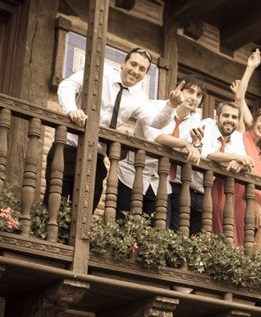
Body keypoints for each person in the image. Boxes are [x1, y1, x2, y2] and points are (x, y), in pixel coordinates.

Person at [46, 47, 175, 211]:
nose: (136, 71)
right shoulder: (100, 73)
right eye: (133, 64)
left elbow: (155, 122)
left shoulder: (139, 97)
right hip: (67, 148)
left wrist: (172, 105)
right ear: (123, 63)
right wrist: (72, 109)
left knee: (85, 211)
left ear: (145, 74)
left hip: (97, 157)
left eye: (142, 69)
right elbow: (68, 85)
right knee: (54, 207)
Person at [116, 79, 203, 221]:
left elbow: (197, 149)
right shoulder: (154, 106)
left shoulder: (196, 121)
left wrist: (196, 145)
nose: (194, 98)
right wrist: (186, 144)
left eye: (199, 95)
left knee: (158, 234)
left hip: (160, 181)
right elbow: (154, 136)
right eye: (190, 91)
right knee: (124, 227)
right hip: (132, 175)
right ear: (179, 90)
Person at [230, 49, 261, 248]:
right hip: (241, 196)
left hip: (257, 203)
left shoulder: (260, 151)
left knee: (256, 243)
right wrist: (251, 67)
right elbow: (239, 98)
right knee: (238, 240)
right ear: (253, 120)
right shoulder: (242, 134)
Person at [201, 101, 254, 240]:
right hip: (199, 187)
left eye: (234, 117)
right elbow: (207, 154)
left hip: (222, 194)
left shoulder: (237, 136)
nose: (230, 120)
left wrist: (241, 164)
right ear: (217, 117)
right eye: (226, 115)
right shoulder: (207, 125)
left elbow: (246, 164)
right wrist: (237, 158)